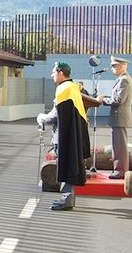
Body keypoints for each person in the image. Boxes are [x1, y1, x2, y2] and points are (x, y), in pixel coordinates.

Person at [37, 62, 90, 211]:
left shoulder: (63, 89)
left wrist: (41, 118)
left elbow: (54, 116)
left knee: (66, 165)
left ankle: (67, 200)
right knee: (70, 165)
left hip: (64, 136)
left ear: (60, 73)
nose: (52, 75)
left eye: (53, 72)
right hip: (73, 135)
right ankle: (68, 198)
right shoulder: (73, 87)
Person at [96, 56, 131, 179]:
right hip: (118, 119)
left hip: (119, 118)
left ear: (122, 66)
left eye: (114, 66)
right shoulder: (122, 79)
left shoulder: (124, 80)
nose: (112, 69)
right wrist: (104, 97)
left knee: (119, 147)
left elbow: (118, 100)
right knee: (118, 146)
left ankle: (120, 171)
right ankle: (119, 170)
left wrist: (102, 100)